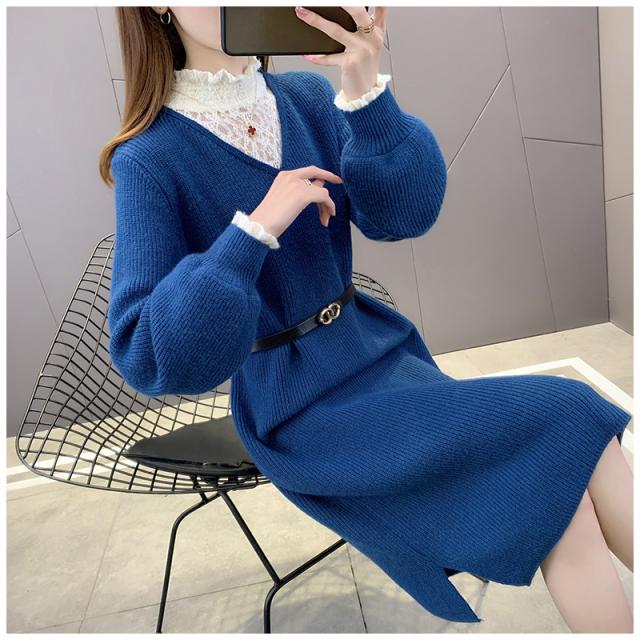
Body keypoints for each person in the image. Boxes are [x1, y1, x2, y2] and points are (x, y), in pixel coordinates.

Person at [99, 6, 633, 632]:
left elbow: (402, 216)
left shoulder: (305, 98)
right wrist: (254, 231)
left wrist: (364, 89)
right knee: (567, 416)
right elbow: (147, 353)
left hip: (378, 356)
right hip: (297, 408)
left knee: (563, 476)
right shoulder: (150, 156)